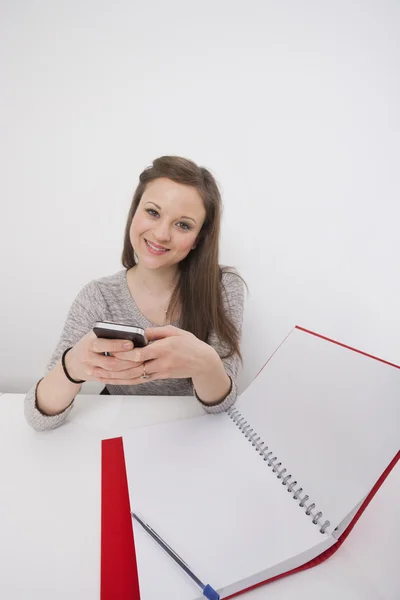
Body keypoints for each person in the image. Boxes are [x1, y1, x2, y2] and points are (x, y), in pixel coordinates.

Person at [24, 156, 245, 431]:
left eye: (183, 225)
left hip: (194, 433)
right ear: (134, 213)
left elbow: (222, 406)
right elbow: (38, 419)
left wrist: (205, 364)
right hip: (121, 429)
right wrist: (71, 367)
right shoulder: (99, 295)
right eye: (153, 212)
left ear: (198, 239)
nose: (162, 234)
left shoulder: (223, 287)